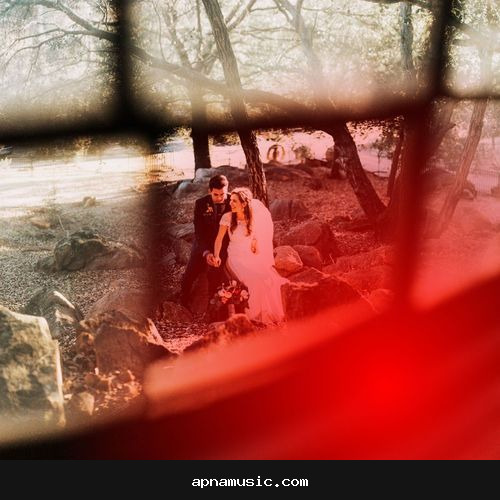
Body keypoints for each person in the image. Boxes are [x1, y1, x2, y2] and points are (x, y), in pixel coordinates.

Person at [213, 187, 288, 325]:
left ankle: (270, 314)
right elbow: (218, 239)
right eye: (231, 200)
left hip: (250, 256)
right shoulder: (227, 217)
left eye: (234, 201)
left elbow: (255, 240)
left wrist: (255, 244)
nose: (231, 203)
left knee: (268, 278)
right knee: (255, 279)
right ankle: (255, 315)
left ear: (244, 204)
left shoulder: (252, 218)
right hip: (235, 257)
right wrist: (216, 255)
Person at [180, 174, 231, 309]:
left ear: (227, 190)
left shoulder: (233, 202)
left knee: (215, 273)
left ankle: (213, 306)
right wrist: (206, 252)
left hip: (223, 245)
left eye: (222, 194)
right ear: (209, 191)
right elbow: (199, 232)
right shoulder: (201, 204)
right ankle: (183, 301)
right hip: (203, 244)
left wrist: (217, 253)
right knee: (190, 273)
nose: (219, 198)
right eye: (216, 194)